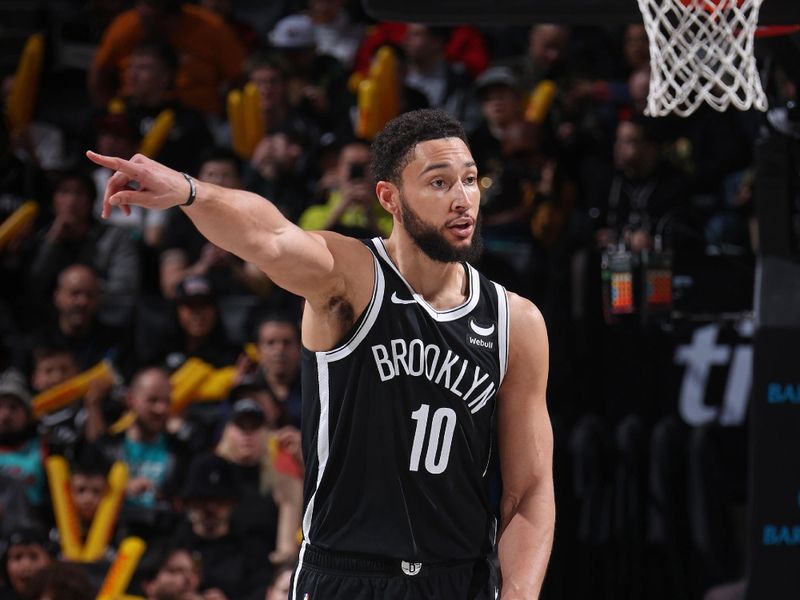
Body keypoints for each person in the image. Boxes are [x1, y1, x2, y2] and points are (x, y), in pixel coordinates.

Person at [88, 107, 554, 599]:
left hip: (460, 579)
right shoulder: (352, 277)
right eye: (439, 183)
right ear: (389, 198)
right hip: (346, 574)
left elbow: (529, 491)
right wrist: (189, 190)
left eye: (470, 180)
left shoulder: (515, 322)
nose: (463, 200)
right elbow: (269, 237)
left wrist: (519, 595)